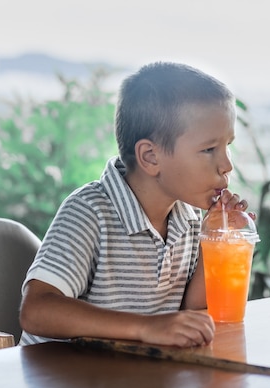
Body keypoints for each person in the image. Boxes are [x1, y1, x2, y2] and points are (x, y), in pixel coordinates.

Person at [19, 62, 252, 347]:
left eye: (228, 146)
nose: (227, 165)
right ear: (151, 157)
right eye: (209, 149)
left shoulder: (188, 219)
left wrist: (212, 241)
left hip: (125, 382)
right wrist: (146, 328)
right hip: (55, 384)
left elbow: (191, 315)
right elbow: (37, 310)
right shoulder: (90, 212)